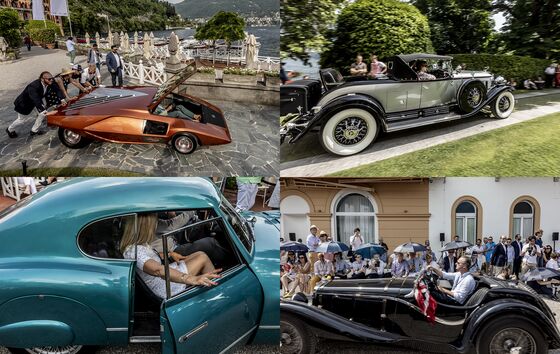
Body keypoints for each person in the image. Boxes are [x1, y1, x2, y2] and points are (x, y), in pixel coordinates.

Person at [120, 214, 220, 299]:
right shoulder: (134, 251)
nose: (154, 228)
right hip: (164, 285)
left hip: (162, 277)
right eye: (153, 225)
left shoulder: (137, 246)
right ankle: (215, 294)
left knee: (199, 254)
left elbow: (148, 257)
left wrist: (170, 254)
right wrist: (191, 278)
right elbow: (157, 270)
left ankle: (211, 286)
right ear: (145, 229)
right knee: (202, 257)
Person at [7, 71, 65, 138]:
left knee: (42, 114)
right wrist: (43, 110)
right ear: (42, 79)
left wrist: (62, 99)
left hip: (36, 101)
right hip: (24, 103)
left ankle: (34, 130)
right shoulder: (33, 86)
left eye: (52, 78)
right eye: (49, 79)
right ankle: (9, 129)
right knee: (21, 120)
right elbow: (35, 99)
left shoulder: (50, 81)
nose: (51, 80)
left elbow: (57, 89)